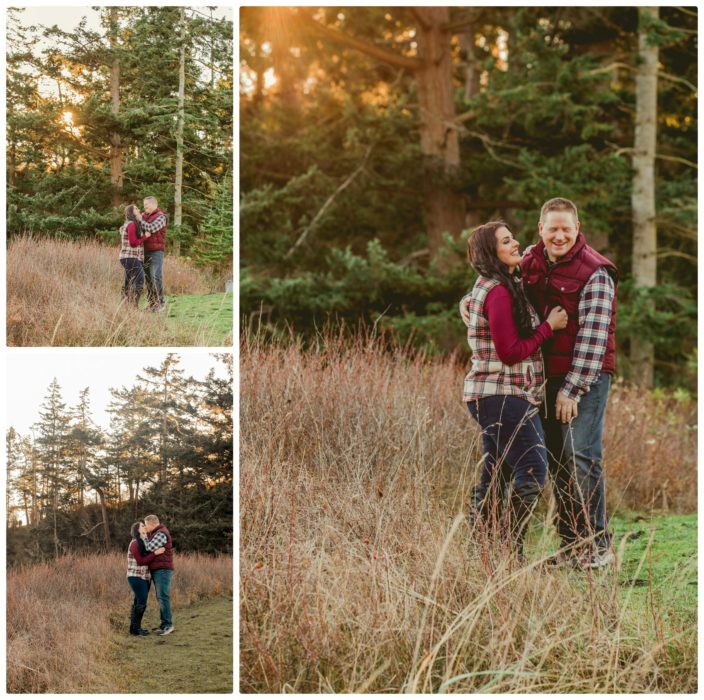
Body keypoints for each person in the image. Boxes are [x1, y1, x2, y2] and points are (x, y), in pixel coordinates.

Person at [460, 221, 568, 559]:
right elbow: (509, 352)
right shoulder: (498, 291)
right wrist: (548, 328)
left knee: (497, 472)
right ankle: (508, 546)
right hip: (500, 394)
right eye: (506, 241)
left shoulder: (503, 284)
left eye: (513, 238)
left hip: (498, 395)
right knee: (533, 471)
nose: (515, 243)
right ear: (492, 252)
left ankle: (484, 547)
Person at [521, 197, 618, 569]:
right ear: (541, 230)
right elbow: (495, 281)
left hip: (586, 376)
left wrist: (571, 389)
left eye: (566, 228)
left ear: (577, 230)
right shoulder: (532, 260)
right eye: (552, 228)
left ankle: (598, 546)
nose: (559, 235)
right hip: (545, 375)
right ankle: (571, 546)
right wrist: (471, 302)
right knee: (557, 460)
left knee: (581, 454)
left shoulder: (596, 271)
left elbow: (594, 339)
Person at [127, 521, 165, 636]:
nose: (145, 526)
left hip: (144, 577)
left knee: (138, 602)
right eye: (142, 525)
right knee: (141, 603)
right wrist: (156, 553)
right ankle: (136, 630)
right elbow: (141, 561)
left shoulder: (143, 542)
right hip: (136, 576)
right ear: (138, 530)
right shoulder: (134, 543)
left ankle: (134, 629)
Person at [142, 514, 174, 635]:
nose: (145, 528)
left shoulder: (161, 533)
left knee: (163, 596)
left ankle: (168, 625)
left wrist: (144, 536)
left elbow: (149, 547)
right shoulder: (156, 533)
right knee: (161, 597)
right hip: (159, 569)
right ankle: (164, 624)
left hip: (163, 570)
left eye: (146, 525)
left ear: (151, 523)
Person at [135, 196, 168, 312]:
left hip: (156, 251)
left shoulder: (161, 217)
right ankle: (152, 304)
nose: (144, 208)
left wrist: (140, 220)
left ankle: (160, 303)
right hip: (145, 251)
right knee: (148, 278)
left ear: (153, 204)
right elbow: (137, 226)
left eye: (146, 205)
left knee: (155, 276)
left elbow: (151, 228)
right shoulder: (144, 216)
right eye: (144, 206)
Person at [119, 205, 151, 306]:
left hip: (128, 257)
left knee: (128, 281)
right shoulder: (131, 224)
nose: (139, 210)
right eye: (136, 209)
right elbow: (133, 243)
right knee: (140, 279)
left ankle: (124, 305)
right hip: (129, 257)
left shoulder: (132, 224)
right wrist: (145, 237)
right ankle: (133, 305)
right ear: (131, 212)